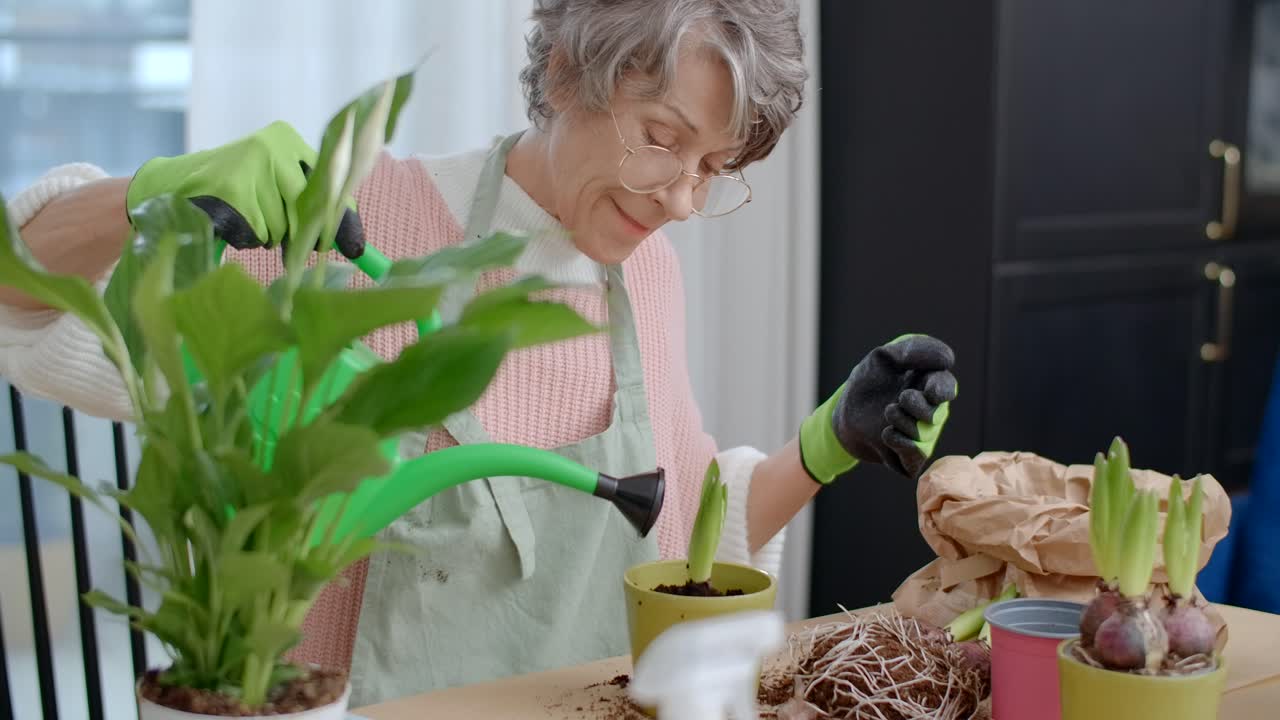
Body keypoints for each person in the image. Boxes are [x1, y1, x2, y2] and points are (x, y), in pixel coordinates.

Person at [0, 0, 958, 707]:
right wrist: (145, 195)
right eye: (663, 140)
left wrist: (825, 445)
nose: (680, 200)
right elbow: (22, 302)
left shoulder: (646, 273)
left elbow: (675, 541)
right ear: (563, 78)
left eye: (713, 169)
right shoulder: (345, 228)